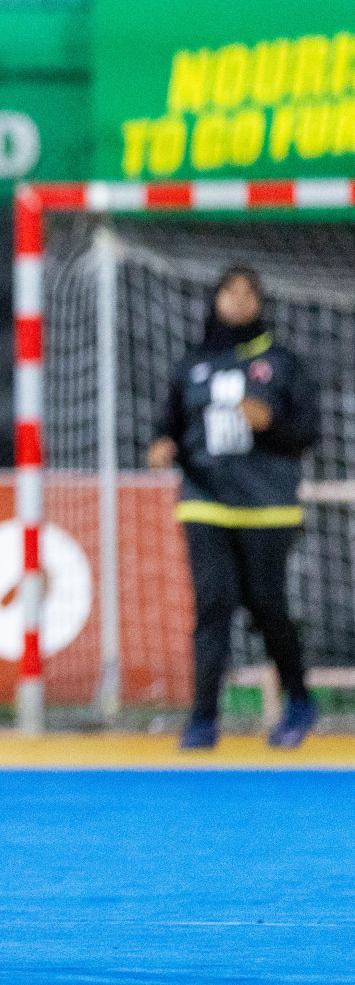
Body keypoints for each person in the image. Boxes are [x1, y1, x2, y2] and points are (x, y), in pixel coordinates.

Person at [148, 265, 319, 750]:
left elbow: (307, 433)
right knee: (213, 606)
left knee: (266, 606)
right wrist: (163, 445)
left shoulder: (281, 364)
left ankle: (300, 701)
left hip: (267, 506)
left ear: (260, 302)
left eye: (249, 292)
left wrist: (271, 423)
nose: (239, 300)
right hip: (205, 503)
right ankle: (202, 719)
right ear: (216, 297)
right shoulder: (193, 364)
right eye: (230, 290)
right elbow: (169, 426)